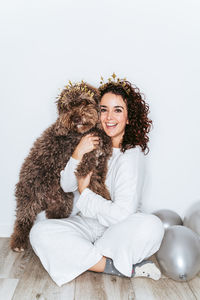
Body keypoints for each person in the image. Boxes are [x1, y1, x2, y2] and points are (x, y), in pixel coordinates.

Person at [30, 75, 164, 287]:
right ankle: (116, 266)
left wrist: (85, 193)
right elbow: (66, 186)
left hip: (118, 229)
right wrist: (77, 153)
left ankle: (85, 255)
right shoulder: (92, 142)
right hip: (89, 223)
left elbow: (122, 214)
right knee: (39, 231)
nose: (109, 117)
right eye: (103, 109)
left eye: (118, 110)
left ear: (129, 118)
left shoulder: (131, 155)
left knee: (153, 226)